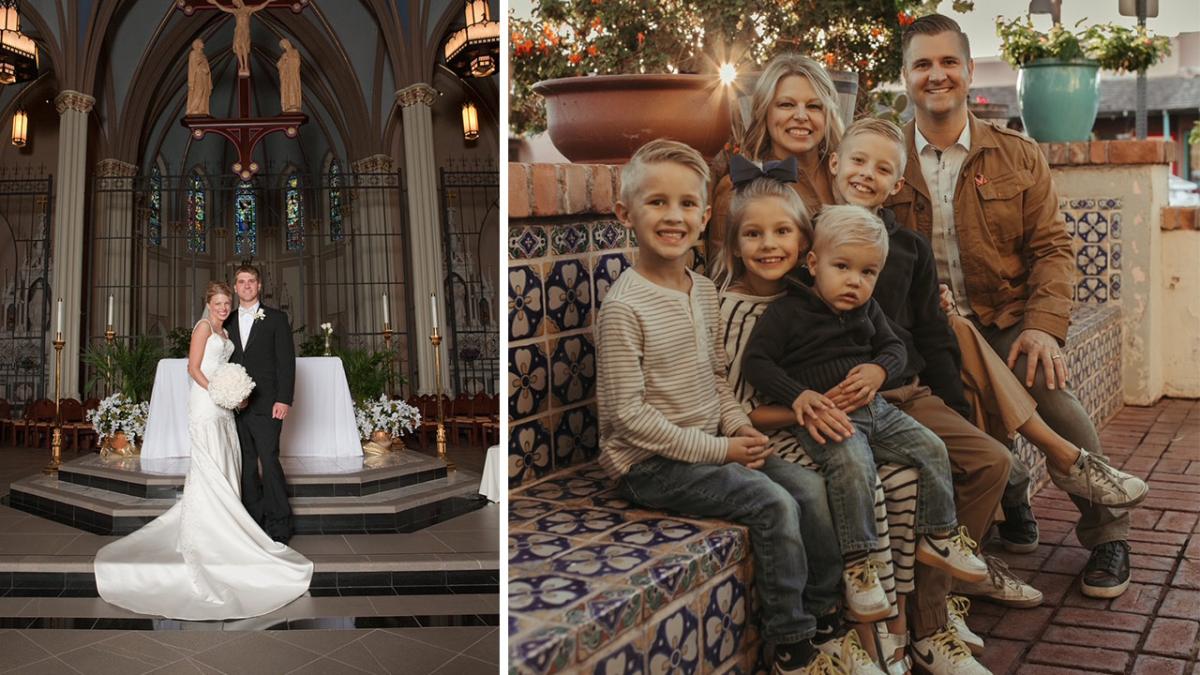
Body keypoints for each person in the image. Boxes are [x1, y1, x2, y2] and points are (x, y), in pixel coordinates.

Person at [891, 13, 1141, 599]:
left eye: (948, 62)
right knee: (950, 399)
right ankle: (1012, 500)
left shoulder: (1016, 155)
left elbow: (1052, 248)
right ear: (905, 77)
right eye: (922, 64)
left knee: (1049, 388)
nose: (936, 75)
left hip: (1003, 317)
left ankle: (1108, 533)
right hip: (919, 330)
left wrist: (1044, 328)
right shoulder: (883, 156)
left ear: (970, 70)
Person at [596, 139, 845, 675]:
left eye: (687, 204)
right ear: (625, 213)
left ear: (706, 215)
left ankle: (826, 615)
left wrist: (736, 428)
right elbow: (628, 419)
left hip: (710, 444)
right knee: (772, 502)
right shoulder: (623, 307)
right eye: (656, 202)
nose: (673, 216)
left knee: (809, 488)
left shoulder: (703, 289)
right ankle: (792, 645)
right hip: (649, 465)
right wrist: (721, 449)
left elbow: (715, 376)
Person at [715, 161, 916, 675]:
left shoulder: (807, 300)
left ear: (806, 247)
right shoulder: (735, 313)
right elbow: (739, 410)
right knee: (845, 483)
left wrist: (862, 381)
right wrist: (810, 406)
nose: (769, 244)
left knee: (898, 478)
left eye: (782, 231)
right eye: (754, 234)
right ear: (734, 244)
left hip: (819, 423)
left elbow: (887, 344)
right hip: (766, 434)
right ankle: (841, 628)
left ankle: (891, 633)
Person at [740, 203, 990, 604]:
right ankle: (858, 565)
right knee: (853, 466)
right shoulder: (787, 312)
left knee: (932, 448)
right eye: (842, 267)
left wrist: (878, 371)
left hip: (879, 411)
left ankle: (940, 536)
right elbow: (757, 364)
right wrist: (798, 395)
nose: (854, 282)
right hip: (831, 418)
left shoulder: (866, 309)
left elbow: (893, 347)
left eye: (867, 273)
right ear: (813, 262)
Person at [94, 281, 312, 620]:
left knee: (227, 465)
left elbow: (251, 364)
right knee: (209, 464)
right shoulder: (202, 328)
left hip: (226, 408)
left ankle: (233, 526)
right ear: (208, 303)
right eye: (219, 301)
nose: (224, 307)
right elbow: (193, 368)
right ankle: (209, 533)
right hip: (208, 404)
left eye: (228, 302)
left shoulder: (227, 334)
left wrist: (233, 394)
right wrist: (221, 392)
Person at [708, 54, 843, 260]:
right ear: (765, 112)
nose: (800, 116)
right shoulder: (739, 185)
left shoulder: (848, 175)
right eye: (786, 105)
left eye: (814, 106)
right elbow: (722, 271)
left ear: (828, 115)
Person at [225, 264, 296, 543]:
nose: (246, 286)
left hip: (268, 404)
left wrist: (283, 399)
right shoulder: (226, 320)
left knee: (268, 459)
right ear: (234, 287)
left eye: (251, 281)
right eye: (241, 282)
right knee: (245, 465)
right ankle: (253, 523)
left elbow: (286, 362)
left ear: (259, 286)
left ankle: (280, 524)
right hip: (235, 405)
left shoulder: (277, 318)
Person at [208, 0, 271, 78]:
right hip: (238, 30)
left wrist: (268, 1)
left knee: (244, 45)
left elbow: (260, 7)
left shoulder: (248, 9)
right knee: (238, 46)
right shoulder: (236, 11)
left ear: (240, 1)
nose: (236, 4)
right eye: (235, 4)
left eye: (237, 2)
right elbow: (224, 9)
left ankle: (246, 66)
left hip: (245, 30)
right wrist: (216, 3)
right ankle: (241, 66)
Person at [186, 39, 212, 117]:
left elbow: (206, 66)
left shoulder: (203, 55)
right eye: (201, 42)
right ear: (197, 44)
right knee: (199, 90)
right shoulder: (193, 53)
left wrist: (206, 70)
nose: (203, 43)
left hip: (204, 75)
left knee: (205, 91)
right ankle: (192, 108)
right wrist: (200, 61)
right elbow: (193, 64)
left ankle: (202, 108)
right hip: (198, 75)